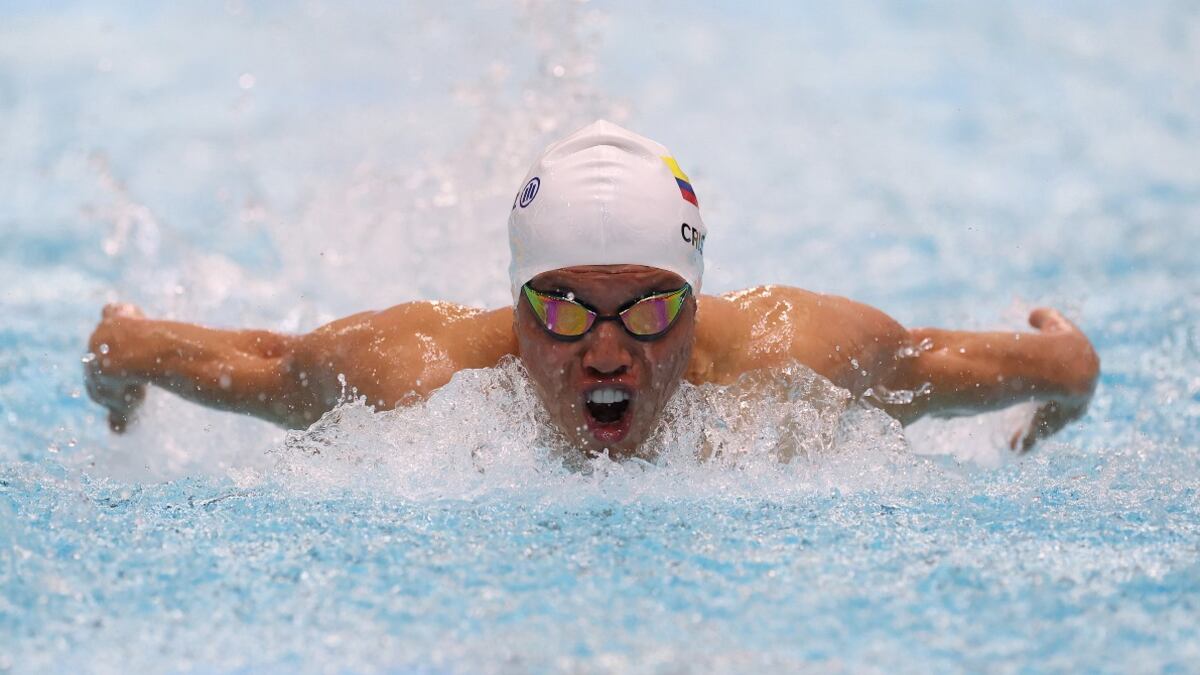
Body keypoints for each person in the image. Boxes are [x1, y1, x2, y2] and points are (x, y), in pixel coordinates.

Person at [85, 121, 1099, 458]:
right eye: (564, 306)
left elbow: (1047, 365)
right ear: (514, 306)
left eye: (651, 307)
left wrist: (1054, 399)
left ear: (700, 305)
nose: (607, 353)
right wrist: (121, 359)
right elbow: (265, 366)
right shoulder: (418, 370)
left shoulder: (797, 358)